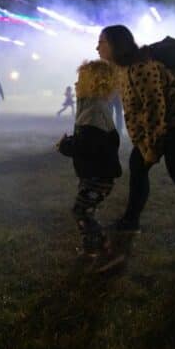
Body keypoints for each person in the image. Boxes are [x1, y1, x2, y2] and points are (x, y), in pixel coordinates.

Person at [98, 25, 175, 248]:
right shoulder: (121, 68)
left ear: (115, 45)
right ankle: (131, 221)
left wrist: (151, 148)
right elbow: (132, 111)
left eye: (101, 42)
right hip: (161, 119)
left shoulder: (142, 68)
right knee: (137, 166)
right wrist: (142, 144)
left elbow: (153, 110)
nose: (97, 47)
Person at [56, 60, 124, 269]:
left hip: (98, 175)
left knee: (81, 211)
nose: (76, 84)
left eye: (80, 80)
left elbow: (87, 146)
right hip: (95, 173)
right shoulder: (93, 106)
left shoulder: (93, 112)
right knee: (85, 211)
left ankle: (101, 250)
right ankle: (98, 247)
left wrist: (65, 145)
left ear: (94, 83)